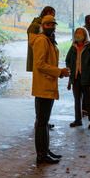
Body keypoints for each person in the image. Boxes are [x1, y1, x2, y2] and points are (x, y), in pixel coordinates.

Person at [31, 15, 69, 164]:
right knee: (41, 122)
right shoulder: (41, 41)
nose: (51, 27)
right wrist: (59, 71)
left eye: (53, 24)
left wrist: (58, 73)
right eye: (48, 25)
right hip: (43, 87)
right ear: (43, 26)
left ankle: (45, 150)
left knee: (44, 121)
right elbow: (40, 64)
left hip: (47, 85)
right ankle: (41, 155)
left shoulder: (49, 40)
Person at [65, 27, 90, 129]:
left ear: (85, 35)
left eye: (80, 33)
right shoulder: (73, 48)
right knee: (77, 100)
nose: (78, 35)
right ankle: (78, 120)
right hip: (76, 78)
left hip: (88, 79)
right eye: (76, 33)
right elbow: (67, 60)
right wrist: (70, 73)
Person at [28, 6, 56, 129]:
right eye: (51, 14)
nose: (53, 18)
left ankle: (42, 120)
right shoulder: (36, 26)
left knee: (43, 97)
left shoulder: (46, 28)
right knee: (40, 94)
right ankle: (40, 121)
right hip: (40, 61)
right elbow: (33, 42)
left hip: (45, 61)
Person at [26, 6, 56, 72]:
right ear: (48, 13)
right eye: (53, 15)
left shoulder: (47, 26)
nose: (53, 17)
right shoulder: (35, 25)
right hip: (39, 58)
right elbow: (31, 42)